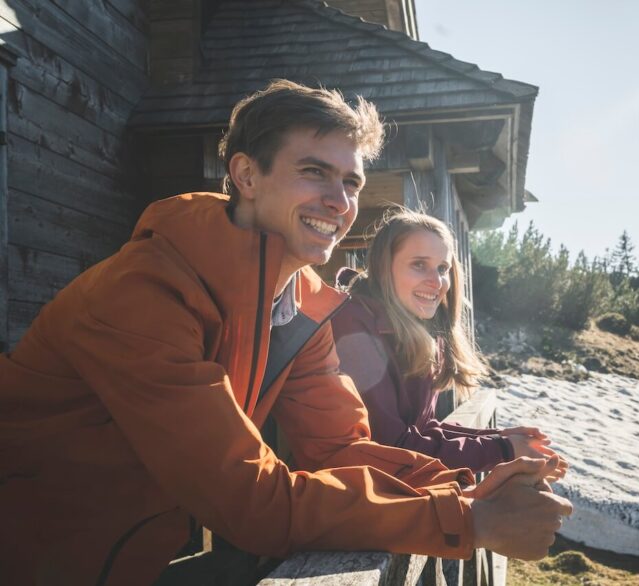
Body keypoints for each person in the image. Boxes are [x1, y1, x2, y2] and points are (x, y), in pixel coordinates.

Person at [0, 80, 571, 586]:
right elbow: (249, 497)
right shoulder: (145, 292)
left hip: (124, 559)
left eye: (352, 182)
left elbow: (340, 448)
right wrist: (467, 520)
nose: (340, 202)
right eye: (314, 171)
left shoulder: (298, 305)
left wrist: (466, 488)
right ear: (247, 175)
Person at [332, 210, 566, 474]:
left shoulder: (423, 330)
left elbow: (424, 429)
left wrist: (499, 438)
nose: (437, 282)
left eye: (443, 268)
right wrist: (502, 450)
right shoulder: (354, 324)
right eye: (419, 264)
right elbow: (392, 448)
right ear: (384, 268)